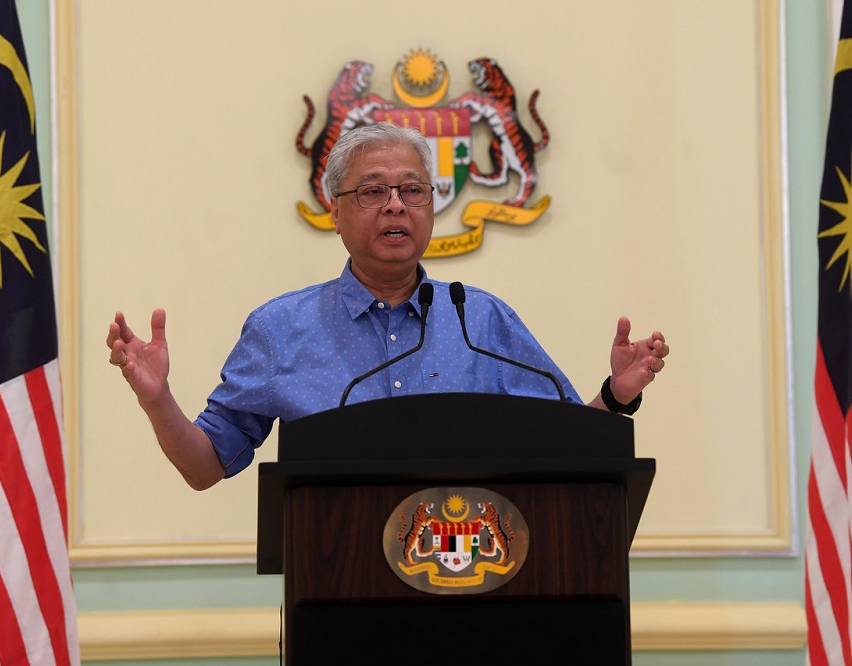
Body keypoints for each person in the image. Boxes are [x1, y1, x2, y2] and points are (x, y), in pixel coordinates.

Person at [106, 122, 669, 490]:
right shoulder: (281, 329)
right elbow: (205, 466)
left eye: (413, 191)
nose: (395, 206)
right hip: (336, 592)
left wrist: (616, 396)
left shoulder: (482, 320)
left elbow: (569, 442)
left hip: (481, 586)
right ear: (336, 211)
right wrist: (158, 401)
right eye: (373, 191)